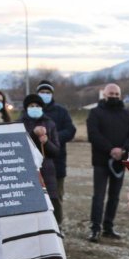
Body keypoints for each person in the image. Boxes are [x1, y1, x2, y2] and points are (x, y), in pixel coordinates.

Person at [85, 82, 129, 242]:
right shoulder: (95, 113)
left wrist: (122, 150)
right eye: (111, 94)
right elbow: (93, 135)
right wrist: (110, 149)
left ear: (120, 96)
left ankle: (108, 227)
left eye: (116, 94)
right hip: (101, 162)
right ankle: (95, 228)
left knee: (114, 197)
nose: (113, 96)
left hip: (120, 162)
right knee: (98, 196)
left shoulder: (127, 114)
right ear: (104, 95)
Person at [37, 80, 77, 226]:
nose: (45, 95)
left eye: (48, 93)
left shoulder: (61, 111)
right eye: (42, 92)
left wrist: (53, 139)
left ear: (52, 94)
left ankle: (57, 226)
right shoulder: (32, 111)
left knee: (56, 196)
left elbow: (71, 130)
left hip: (57, 161)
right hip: (36, 163)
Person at [19, 93, 63, 223]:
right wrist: (33, 134)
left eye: (37, 105)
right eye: (31, 106)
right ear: (26, 108)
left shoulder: (50, 123)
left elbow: (56, 151)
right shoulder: (20, 123)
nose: (34, 108)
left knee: (53, 200)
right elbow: (20, 147)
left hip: (48, 169)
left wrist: (46, 142)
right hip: (28, 169)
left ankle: (56, 225)